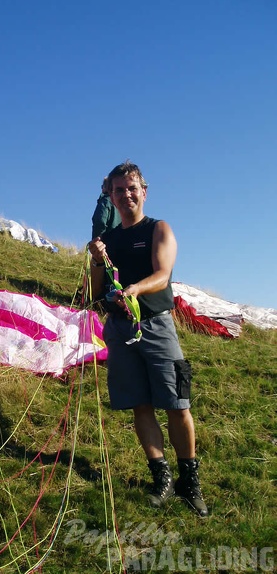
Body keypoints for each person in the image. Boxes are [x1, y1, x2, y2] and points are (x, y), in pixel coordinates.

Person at [88, 160, 208, 517]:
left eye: (132, 188)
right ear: (110, 194)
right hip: (119, 328)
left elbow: (163, 273)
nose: (126, 195)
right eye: (119, 190)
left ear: (144, 191)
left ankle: (190, 480)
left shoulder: (158, 229)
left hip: (156, 326)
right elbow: (94, 292)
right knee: (140, 404)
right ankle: (162, 477)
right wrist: (96, 262)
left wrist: (136, 289)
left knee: (176, 403)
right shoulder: (105, 241)